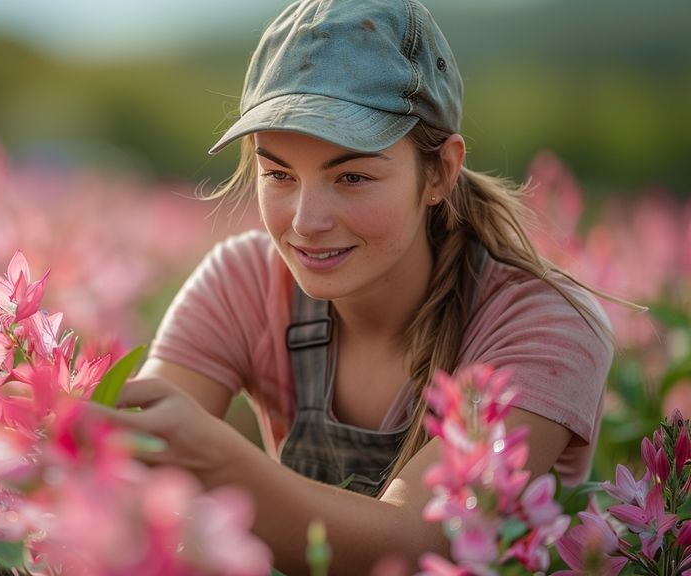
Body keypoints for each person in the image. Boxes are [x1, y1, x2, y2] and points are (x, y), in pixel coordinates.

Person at [104, 0, 614, 572]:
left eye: (352, 176)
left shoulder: (544, 321)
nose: (305, 221)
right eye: (279, 175)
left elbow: (427, 543)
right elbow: (127, 472)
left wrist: (219, 460)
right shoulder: (242, 280)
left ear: (440, 172)